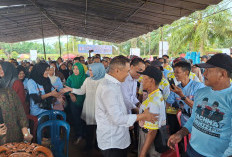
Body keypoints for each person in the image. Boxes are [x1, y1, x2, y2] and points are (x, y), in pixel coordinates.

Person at [168, 53, 232, 157]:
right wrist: (180, 133)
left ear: (223, 74)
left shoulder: (230, 97)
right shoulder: (201, 92)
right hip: (192, 149)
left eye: (208, 70)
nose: (203, 74)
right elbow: (194, 118)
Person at [95, 55, 159, 157]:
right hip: (112, 140)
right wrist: (142, 116)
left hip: (117, 136)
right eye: (126, 71)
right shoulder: (108, 88)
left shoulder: (114, 84)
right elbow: (117, 118)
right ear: (116, 71)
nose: (127, 74)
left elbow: (121, 106)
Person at [61, 63, 105, 151]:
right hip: (89, 105)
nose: (89, 72)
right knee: (89, 127)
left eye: (92, 70)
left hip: (99, 107)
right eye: (89, 70)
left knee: (99, 127)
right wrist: (71, 90)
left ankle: (98, 144)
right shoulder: (88, 80)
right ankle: (88, 145)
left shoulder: (104, 81)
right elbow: (81, 91)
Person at [138, 66, 166, 157]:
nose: (142, 81)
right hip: (147, 134)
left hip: (149, 138)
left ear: (152, 81)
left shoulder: (154, 101)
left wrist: (142, 153)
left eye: (144, 79)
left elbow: (152, 132)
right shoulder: (155, 94)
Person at [166, 61, 204, 126]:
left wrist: (181, 95)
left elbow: (198, 107)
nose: (175, 75)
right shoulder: (176, 89)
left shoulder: (198, 86)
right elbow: (168, 105)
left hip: (198, 126)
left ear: (186, 72)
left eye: (177, 72)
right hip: (184, 126)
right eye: (174, 72)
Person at [66, 62, 86, 144]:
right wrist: (70, 94)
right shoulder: (70, 78)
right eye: (74, 69)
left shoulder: (86, 78)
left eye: (77, 69)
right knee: (76, 119)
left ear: (81, 69)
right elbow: (66, 89)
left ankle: (85, 135)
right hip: (74, 102)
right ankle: (78, 135)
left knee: (85, 120)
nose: (75, 70)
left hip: (85, 102)